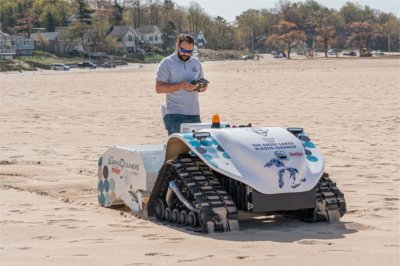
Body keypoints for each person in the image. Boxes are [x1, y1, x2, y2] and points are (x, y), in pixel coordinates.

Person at [155, 34, 207, 135]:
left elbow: (202, 82)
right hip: (174, 115)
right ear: (177, 46)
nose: (186, 54)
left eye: (189, 52)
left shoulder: (196, 62)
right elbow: (159, 88)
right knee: (178, 148)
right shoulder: (167, 63)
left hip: (194, 114)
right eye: (183, 50)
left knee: (196, 147)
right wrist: (181, 85)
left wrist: (201, 87)